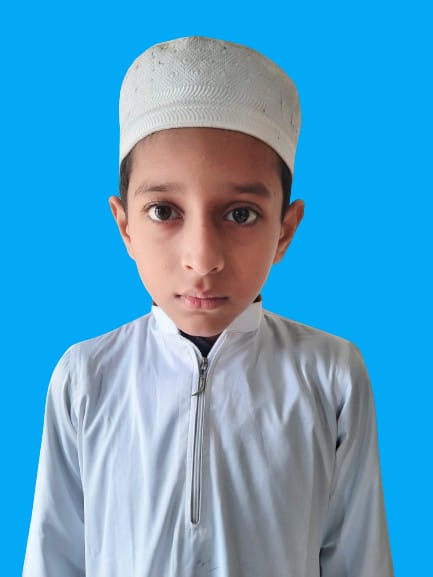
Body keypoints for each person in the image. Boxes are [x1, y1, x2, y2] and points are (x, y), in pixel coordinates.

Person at [23, 36, 394, 577]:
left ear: (285, 230)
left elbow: (360, 561)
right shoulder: (86, 377)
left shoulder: (330, 375)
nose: (202, 259)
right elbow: (53, 560)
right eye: (164, 211)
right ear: (124, 225)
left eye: (240, 214)